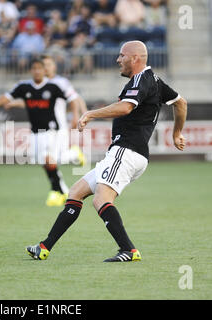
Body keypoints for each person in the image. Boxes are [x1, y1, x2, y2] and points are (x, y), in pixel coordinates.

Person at [26, 40, 187, 262]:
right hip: (126, 152)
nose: (118, 59)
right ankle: (44, 247)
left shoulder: (142, 79)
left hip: (127, 151)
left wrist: (90, 114)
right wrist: (176, 133)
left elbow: (125, 107)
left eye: (122, 56)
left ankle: (128, 250)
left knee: (100, 200)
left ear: (135, 58)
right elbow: (181, 103)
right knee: (75, 192)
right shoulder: (153, 81)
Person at [0, 59, 84, 207]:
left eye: (40, 69)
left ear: (43, 71)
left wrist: (76, 115)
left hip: (52, 129)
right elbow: (7, 97)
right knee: (44, 162)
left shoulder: (53, 86)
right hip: (35, 131)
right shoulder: (24, 87)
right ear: (31, 71)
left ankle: (58, 189)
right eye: (34, 69)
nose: (37, 71)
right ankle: (62, 188)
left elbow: (72, 98)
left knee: (49, 159)